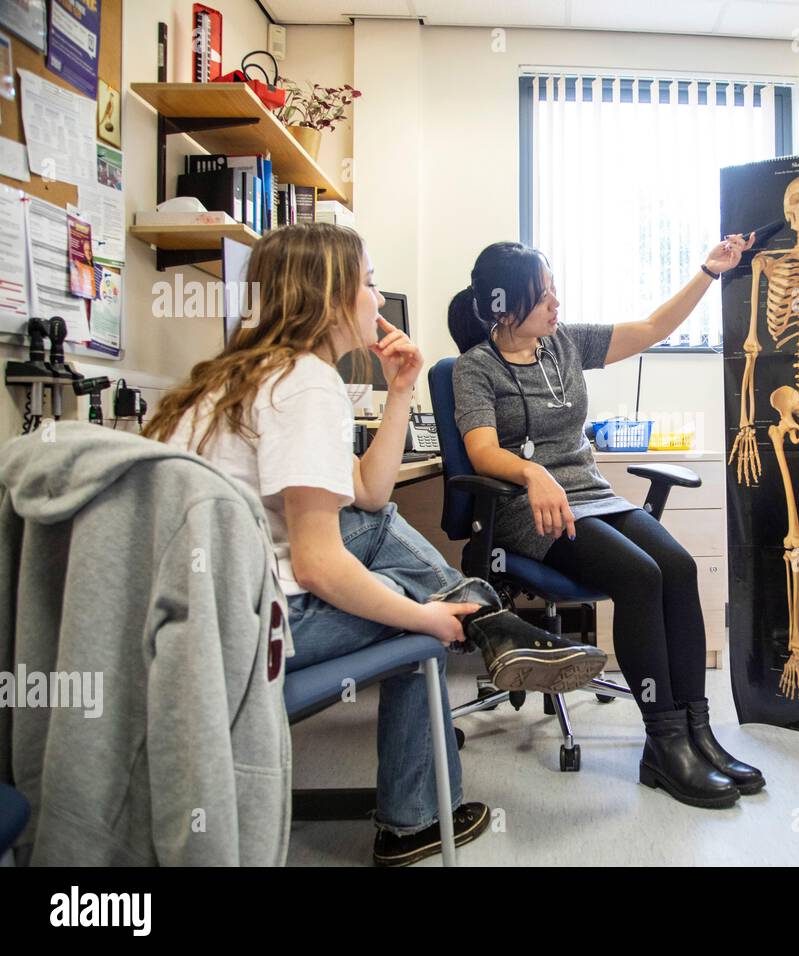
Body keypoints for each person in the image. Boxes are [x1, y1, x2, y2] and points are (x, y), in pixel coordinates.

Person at [143, 223, 605, 865]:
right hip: (247, 631)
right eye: (367, 283)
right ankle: (415, 817)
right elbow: (318, 563)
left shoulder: (235, 376)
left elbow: (367, 494)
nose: (379, 300)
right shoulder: (305, 383)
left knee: (377, 526)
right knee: (411, 622)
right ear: (329, 294)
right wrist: (425, 617)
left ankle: (484, 618)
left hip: (195, 616)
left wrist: (400, 391)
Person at [449, 238, 767, 809]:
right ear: (502, 306)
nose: (555, 302)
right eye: (540, 294)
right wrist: (531, 474)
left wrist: (706, 273)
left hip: (592, 494)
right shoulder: (475, 368)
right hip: (530, 509)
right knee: (640, 576)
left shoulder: (564, 345)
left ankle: (699, 733)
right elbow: (480, 451)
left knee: (677, 565)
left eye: (552, 289)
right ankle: (664, 745)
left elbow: (650, 327)